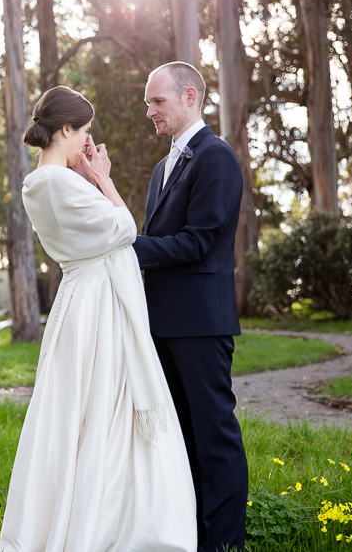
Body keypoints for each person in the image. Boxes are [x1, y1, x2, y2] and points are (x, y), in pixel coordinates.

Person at [0, 86, 196, 552]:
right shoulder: (60, 182)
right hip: (97, 304)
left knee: (81, 409)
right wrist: (102, 177)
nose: (86, 141)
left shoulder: (38, 183)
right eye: (83, 131)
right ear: (65, 129)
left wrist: (86, 177)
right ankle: (108, 523)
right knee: (104, 404)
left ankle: (86, 510)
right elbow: (125, 229)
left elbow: (97, 235)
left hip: (80, 298)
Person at [131, 62, 249, 552]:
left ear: (190, 97)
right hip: (163, 324)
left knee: (213, 438)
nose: (151, 112)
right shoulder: (163, 168)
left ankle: (225, 544)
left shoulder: (215, 157)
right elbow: (161, 237)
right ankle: (193, 538)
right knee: (179, 440)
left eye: (158, 102)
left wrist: (127, 246)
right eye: (148, 104)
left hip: (200, 323)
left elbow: (200, 241)